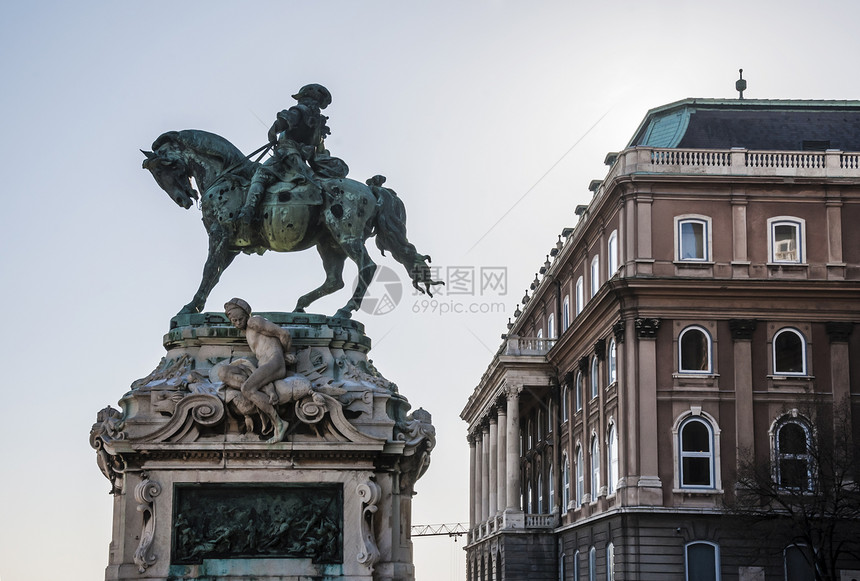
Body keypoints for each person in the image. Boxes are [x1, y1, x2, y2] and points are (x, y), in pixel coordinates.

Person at [236, 84, 348, 244]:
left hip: (285, 155)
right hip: (302, 160)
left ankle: (248, 211)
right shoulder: (318, 124)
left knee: (260, 175)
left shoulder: (301, 110)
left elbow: (285, 120)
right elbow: (321, 150)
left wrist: (273, 131)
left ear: (305, 98)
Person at [224, 298, 294, 442]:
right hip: (264, 365)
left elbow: (284, 334)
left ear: (246, 314)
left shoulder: (253, 321)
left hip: (274, 362)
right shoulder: (248, 331)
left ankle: (279, 423)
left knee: (247, 388)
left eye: (239, 319)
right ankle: (269, 392)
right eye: (233, 321)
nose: (237, 323)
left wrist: (285, 354)